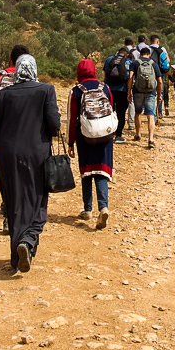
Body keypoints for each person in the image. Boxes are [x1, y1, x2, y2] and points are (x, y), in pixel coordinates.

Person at [0, 54, 60, 273]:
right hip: (37, 155)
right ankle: (29, 240)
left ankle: (17, 256)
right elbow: (54, 125)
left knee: (14, 204)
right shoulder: (46, 90)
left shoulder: (4, 94)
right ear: (33, 69)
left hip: (8, 155)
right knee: (37, 201)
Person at [0, 43, 29, 234]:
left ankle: (8, 211)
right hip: (24, 132)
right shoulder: (31, 77)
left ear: (10, 58)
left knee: (4, 171)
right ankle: (19, 210)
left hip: (1, 132)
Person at [66, 59, 114, 230]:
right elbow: (111, 109)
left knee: (87, 171)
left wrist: (70, 142)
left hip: (85, 136)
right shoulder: (105, 88)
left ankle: (87, 210)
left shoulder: (76, 91)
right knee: (101, 170)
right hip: (105, 135)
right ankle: (104, 206)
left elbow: (72, 119)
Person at [128, 45, 162, 148]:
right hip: (151, 91)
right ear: (149, 55)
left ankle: (138, 134)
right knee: (150, 115)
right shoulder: (154, 64)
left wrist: (128, 92)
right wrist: (159, 95)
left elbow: (130, 77)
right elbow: (159, 81)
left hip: (137, 91)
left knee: (138, 112)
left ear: (140, 54)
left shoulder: (135, 63)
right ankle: (151, 139)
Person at [103, 42, 133, 144]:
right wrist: (129, 92)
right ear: (127, 54)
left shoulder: (109, 60)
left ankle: (108, 134)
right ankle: (118, 136)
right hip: (122, 90)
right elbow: (129, 78)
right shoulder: (128, 62)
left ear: (118, 53)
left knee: (109, 112)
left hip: (109, 90)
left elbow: (105, 74)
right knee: (121, 113)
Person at [149, 34, 171, 122]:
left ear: (150, 41)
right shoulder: (162, 49)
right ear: (158, 41)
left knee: (151, 93)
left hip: (150, 73)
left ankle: (151, 113)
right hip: (160, 73)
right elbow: (167, 60)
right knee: (160, 93)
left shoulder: (148, 49)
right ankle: (159, 112)